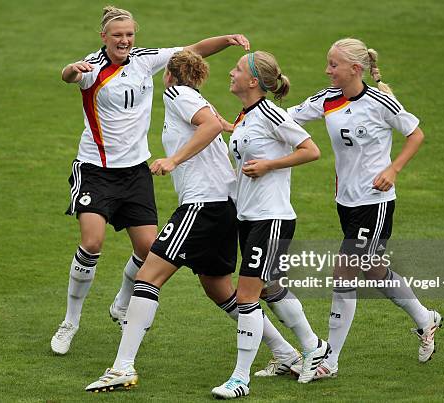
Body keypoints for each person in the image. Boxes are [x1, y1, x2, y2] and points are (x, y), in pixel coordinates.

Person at [84, 50, 300, 393]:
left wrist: (173, 159)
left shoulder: (177, 94)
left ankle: (122, 366)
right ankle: (286, 351)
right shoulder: (197, 99)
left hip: (203, 205)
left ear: (169, 76)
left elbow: (211, 126)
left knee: (148, 276)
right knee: (219, 289)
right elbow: (216, 125)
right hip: (222, 206)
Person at [50, 4, 251, 355]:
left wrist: (228, 39)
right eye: (118, 35)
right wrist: (71, 69)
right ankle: (70, 322)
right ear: (104, 37)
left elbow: (193, 51)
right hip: (95, 170)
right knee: (92, 242)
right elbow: (69, 77)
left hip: (135, 172)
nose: (125, 40)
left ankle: (121, 304)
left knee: (148, 249)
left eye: (129, 34)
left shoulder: (145, 59)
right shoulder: (92, 68)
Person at [286, 38, 443, 380]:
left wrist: (393, 169)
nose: (327, 70)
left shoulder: (380, 102)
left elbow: (415, 134)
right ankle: (425, 318)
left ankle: (330, 359)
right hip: (346, 203)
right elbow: (285, 119)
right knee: (372, 270)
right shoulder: (327, 100)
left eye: (333, 65)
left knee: (344, 273)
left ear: (355, 69)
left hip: (375, 204)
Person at [211, 51, 329, 400]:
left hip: (271, 218)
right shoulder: (248, 115)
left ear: (253, 81)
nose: (230, 73)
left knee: (245, 297)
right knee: (267, 288)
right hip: (249, 217)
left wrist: (270, 165)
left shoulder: (270, 113)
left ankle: (240, 378)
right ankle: (313, 347)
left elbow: (311, 150)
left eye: (237, 69)